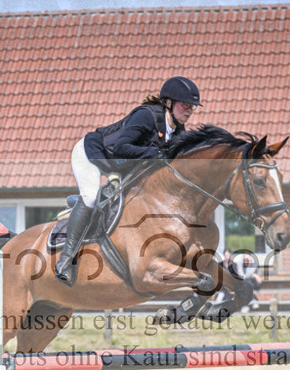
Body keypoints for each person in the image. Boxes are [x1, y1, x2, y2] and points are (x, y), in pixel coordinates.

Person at [54, 76, 202, 285]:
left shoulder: (177, 130)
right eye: (185, 106)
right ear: (168, 103)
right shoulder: (146, 116)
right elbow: (123, 147)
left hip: (119, 165)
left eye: (192, 108)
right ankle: (65, 260)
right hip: (92, 153)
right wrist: (156, 152)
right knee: (90, 196)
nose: (189, 111)